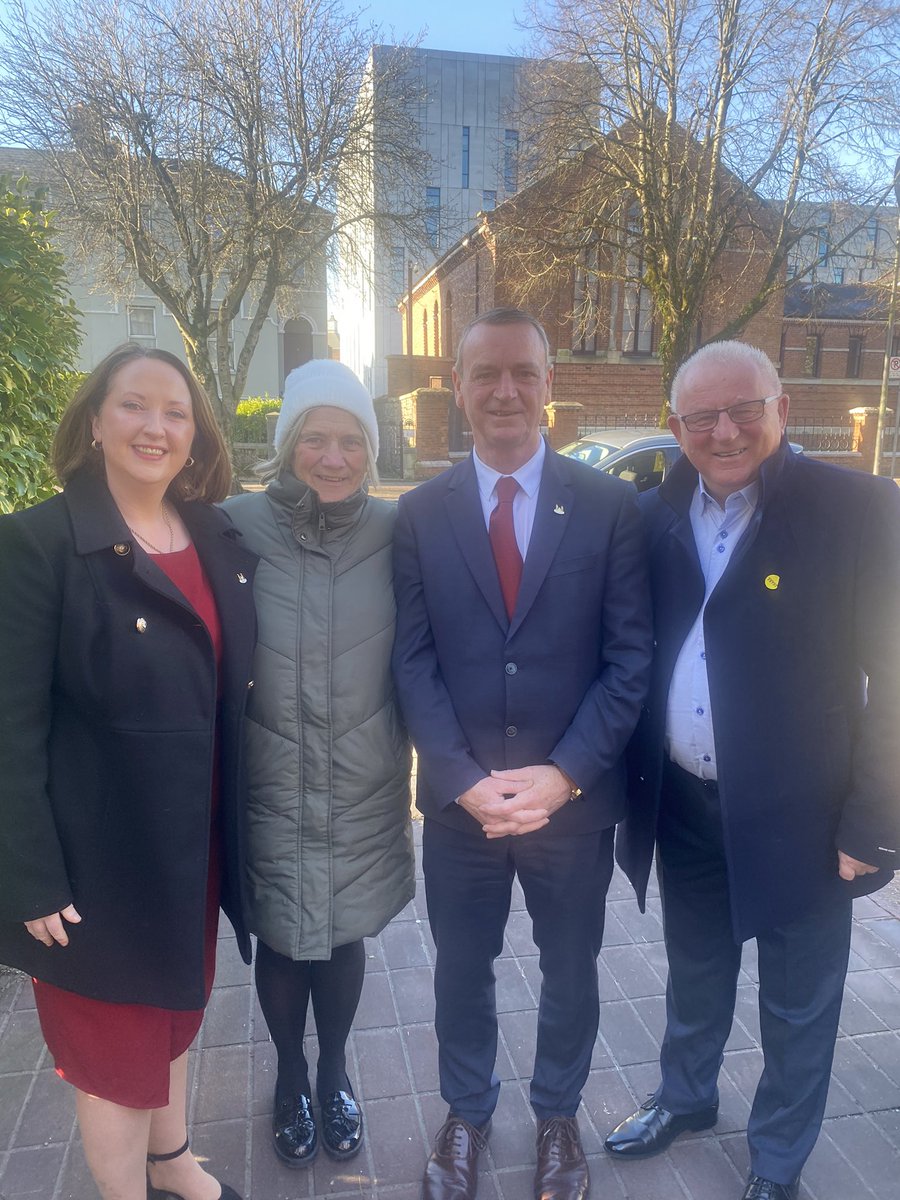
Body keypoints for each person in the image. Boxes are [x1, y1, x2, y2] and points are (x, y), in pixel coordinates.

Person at [606, 341, 900, 1200]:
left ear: (781, 405)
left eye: (745, 410)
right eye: (702, 417)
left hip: (809, 817)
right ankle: (688, 1097)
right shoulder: (655, 511)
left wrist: (876, 823)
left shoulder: (859, 507)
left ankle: (777, 1162)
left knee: (799, 1000)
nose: (725, 432)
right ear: (675, 427)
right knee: (695, 964)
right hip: (688, 802)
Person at [391, 307, 652, 1200]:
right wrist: (461, 781)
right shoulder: (421, 513)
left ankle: (557, 1120)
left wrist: (567, 773)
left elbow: (631, 659)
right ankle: (464, 1116)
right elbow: (412, 659)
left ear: (549, 386)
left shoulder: (610, 505)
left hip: (571, 808)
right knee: (461, 968)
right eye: (485, 374)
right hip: (462, 809)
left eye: (523, 374)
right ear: (458, 388)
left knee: (570, 967)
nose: (505, 390)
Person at [0, 344, 258, 1200]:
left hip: (193, 843)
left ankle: (171, 1157)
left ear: (197, 433)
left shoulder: (216, 530)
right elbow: (10, 727)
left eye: (175, 412)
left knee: (177, 1013)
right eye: (134, 406)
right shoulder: (37, 544)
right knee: (114, 1054)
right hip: (92, 864)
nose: (156, 426)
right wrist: (29, 876)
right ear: (96, 421)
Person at [223, 359, 414, 1168]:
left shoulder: (397, 531)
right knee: (282, 937)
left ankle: (333, 1068)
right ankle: (289, 1074)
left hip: (362, 777)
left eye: (349, 441)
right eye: (314, 438)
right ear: (287, 442)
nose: (332, 457)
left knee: (340, 935)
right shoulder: (230, 525)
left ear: (369, 450)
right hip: (268, 775)